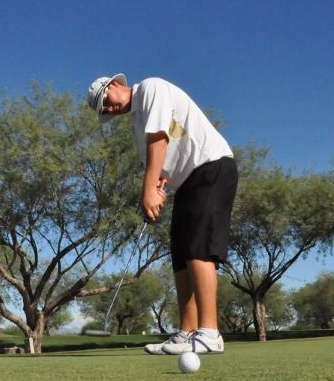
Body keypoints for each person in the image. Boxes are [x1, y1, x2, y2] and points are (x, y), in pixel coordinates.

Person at [87, 74, 237, 354]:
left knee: (197, 248)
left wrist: (147, 191)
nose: (108, 109)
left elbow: (160, 138)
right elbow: (160, 165)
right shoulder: (136, 122)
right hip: (187, 182)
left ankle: (210, 332)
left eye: (105, 102)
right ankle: (187, 333)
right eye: (103, 110)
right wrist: (157, 185)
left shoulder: (150, 88)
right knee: (180, 254)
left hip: (211, 167)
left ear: (115, 85)